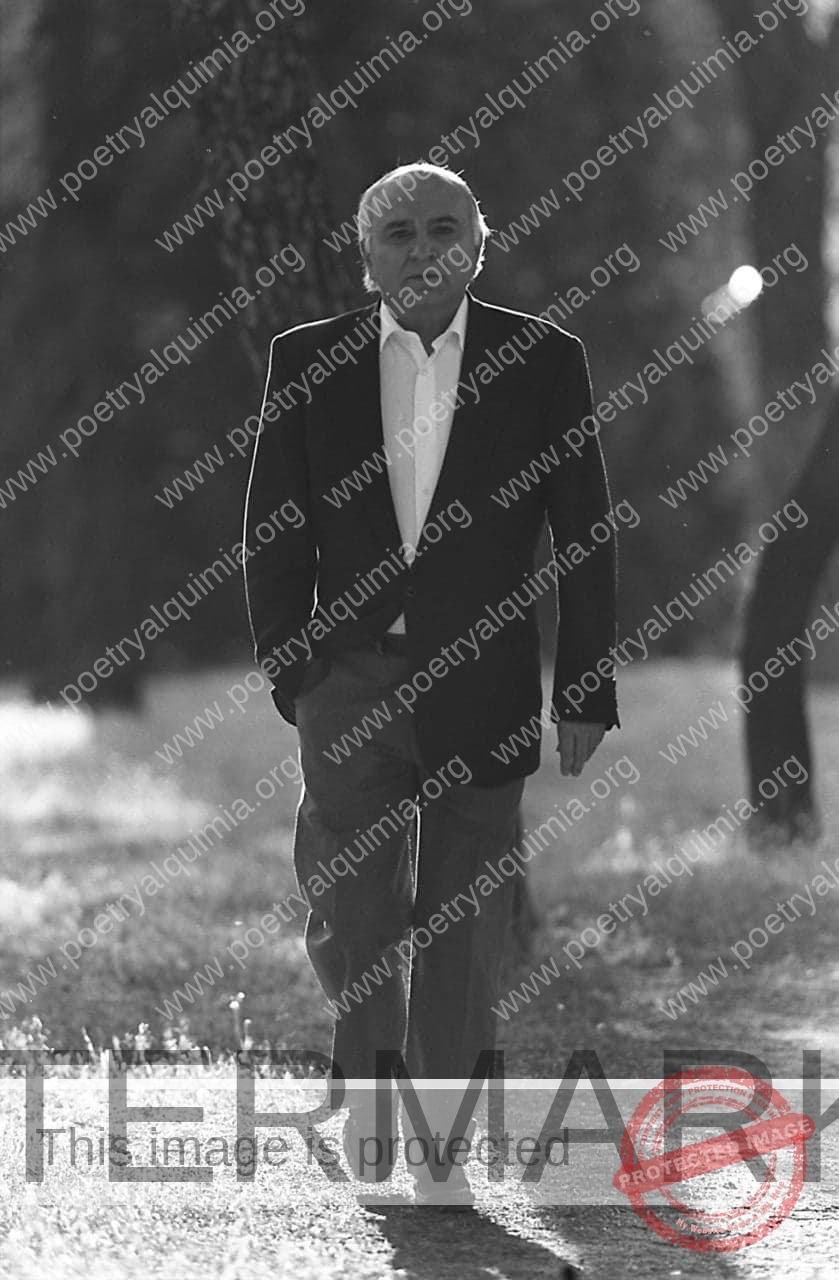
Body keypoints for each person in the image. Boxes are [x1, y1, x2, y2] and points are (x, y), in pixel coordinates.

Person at [243, 162, 618, 1205]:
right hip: (347, 682)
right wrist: (293, 668)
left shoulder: (543, 360)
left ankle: (439, 1148)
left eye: (443, 228)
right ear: (366, 256)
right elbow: (274, 526)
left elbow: (583, 530)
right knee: (352, 915)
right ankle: (372, 1116)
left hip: (485, 679)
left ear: (477, 246)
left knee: (463, 923)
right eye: (398, 232)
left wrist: (583, 685)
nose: (422, 248)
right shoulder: (306, 360)